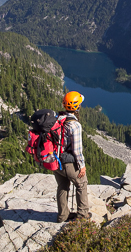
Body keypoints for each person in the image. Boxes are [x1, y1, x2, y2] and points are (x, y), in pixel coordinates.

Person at [54, 91, 91, 223]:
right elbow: (77, 150)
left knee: (63, 187)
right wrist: (81, 166)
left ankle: (62, 215)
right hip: (68, 162)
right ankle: (82, 215)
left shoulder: (58, 118)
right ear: (77, 106)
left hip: (55, 161)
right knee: (81, 184)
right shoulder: (74, 125)